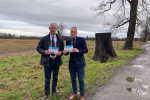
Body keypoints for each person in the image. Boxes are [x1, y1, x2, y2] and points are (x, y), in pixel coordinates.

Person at [36, 23, 64, 99]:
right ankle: (47, 94)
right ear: (49, 28)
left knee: (55, 78)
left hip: (56, 61)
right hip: (47, 61)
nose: (53, 29)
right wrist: (44, 52)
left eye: (54, 28)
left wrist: (60, 53)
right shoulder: (44, 39)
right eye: (51, 28)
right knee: (47, 79)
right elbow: (38, 48)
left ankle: (54, 92)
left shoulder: (60, 39)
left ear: (56, 29)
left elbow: (62, 49)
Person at [63, 27, 88, 100]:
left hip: (80, 63)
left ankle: (82, 95)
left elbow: (86, 50)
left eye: (74, 32)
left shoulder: (81, 39)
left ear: (76, 33)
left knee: (81, 80)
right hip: (71, 64)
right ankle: (75, 93)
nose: (73, 33)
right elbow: (67, 52)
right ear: (70, 33)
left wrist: (78, 50)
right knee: (73, 79)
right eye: (71, 32)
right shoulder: (68, 41)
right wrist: (65, 53)